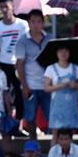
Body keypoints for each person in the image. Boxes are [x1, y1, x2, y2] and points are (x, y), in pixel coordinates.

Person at [16, 10, 51, 140]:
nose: (36, 25)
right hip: (30, 85)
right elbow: (20, 65)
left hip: (47, 85)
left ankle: (53, 142)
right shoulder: (22, 40)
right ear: (29, 23)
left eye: (39, 22)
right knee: (30, 117)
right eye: (33, 22)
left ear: (43, 23)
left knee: (51, 115)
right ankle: (33, 142)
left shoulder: (50, 39)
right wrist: (24, 86)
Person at [0, 0, 29, 119]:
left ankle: (20, 121)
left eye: (6, 7)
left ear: (12, 7)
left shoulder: (23, 24)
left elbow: (26, 44)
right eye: (2, 7)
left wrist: (22, 62)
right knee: (4, 93)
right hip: (4, 63)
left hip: (19, 63)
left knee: (21, 92)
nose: (4, 10)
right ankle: (7, 121)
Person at [43, 45, 78, 141]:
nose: (63, 53)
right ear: (57, 53)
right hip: (57, 105)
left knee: (70, 133)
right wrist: (62, 85)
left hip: (71, 105)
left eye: (66, 51)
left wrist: (75, 85)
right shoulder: (51, 68)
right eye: (61, 51)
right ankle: (53, 154)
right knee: (55, 133)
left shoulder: (75, 68)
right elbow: (46, 88)